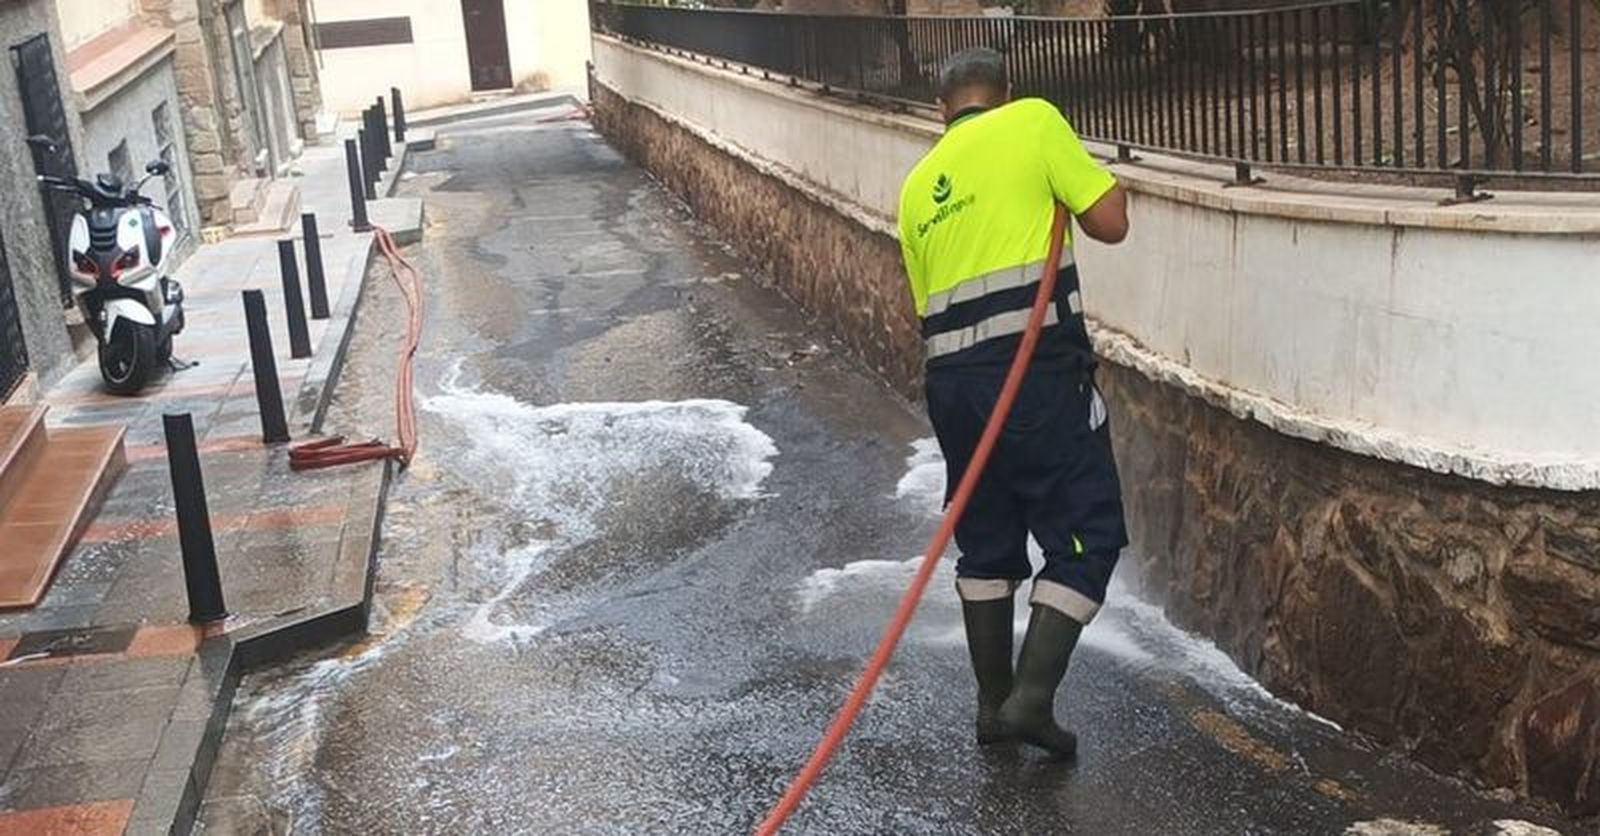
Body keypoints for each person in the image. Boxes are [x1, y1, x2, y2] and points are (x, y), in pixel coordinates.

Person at [896, 47, 1131, 759]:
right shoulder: (1033, 122)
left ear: (943, 110)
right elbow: (1111, 221)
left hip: (952, 388)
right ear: (1005, 92)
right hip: (1033, 373)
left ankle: (992, 707)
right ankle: (1031, 699)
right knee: (1089, 529)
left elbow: (925, 309)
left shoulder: (916, 185)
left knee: (988, 540)